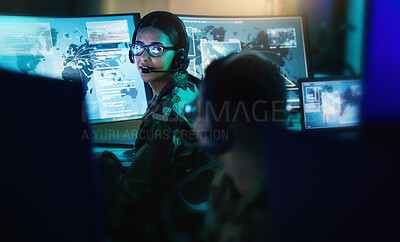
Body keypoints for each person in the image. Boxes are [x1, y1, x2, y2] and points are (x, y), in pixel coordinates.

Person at [101, 11, 208, 242]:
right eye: (138, 47)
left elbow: (134, 188)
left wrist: (106, 163)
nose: (144, 58)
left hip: (158, 223)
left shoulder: (170, 108)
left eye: (156, 49)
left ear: (178, 58)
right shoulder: (189, 86)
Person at [193, 51, 287, 242]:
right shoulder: (227, 176)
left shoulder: (285, 214)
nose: (194, 121)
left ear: (215, 121)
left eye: (197, 107)